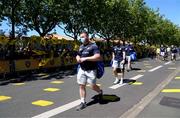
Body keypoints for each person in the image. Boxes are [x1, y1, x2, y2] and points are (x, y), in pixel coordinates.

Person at [76, 31, 103, 111]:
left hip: (91, 70)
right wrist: (77, 58)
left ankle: (100, 91)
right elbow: (78, 54)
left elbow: (98, 56)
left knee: (92, 86)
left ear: (87, 36)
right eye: (80, 37)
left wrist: (86, 58)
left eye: (83, 37)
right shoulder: (80, 46)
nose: (82, 39)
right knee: (81, 85)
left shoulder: (93, 46)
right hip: (82, 69)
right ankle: (83, 102)